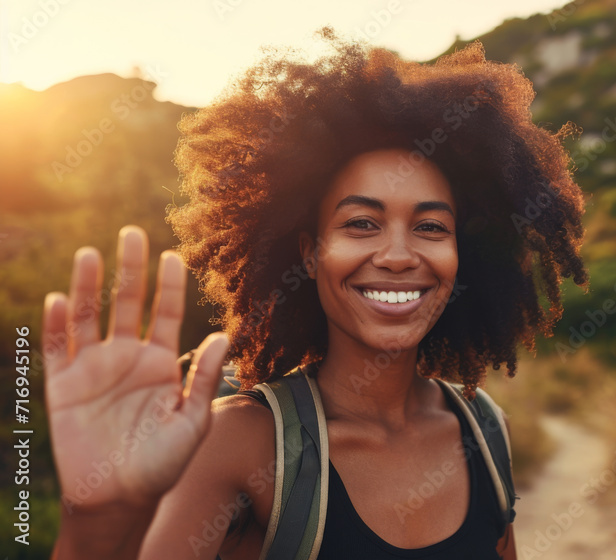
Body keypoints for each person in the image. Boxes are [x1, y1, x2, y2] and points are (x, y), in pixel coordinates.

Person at [42, 27, 588, 559]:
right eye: (361, 224)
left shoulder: (483, 429)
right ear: (308, 252)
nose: (398, 256)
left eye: (430, 227)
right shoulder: (240, 441)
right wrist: (96, 522)